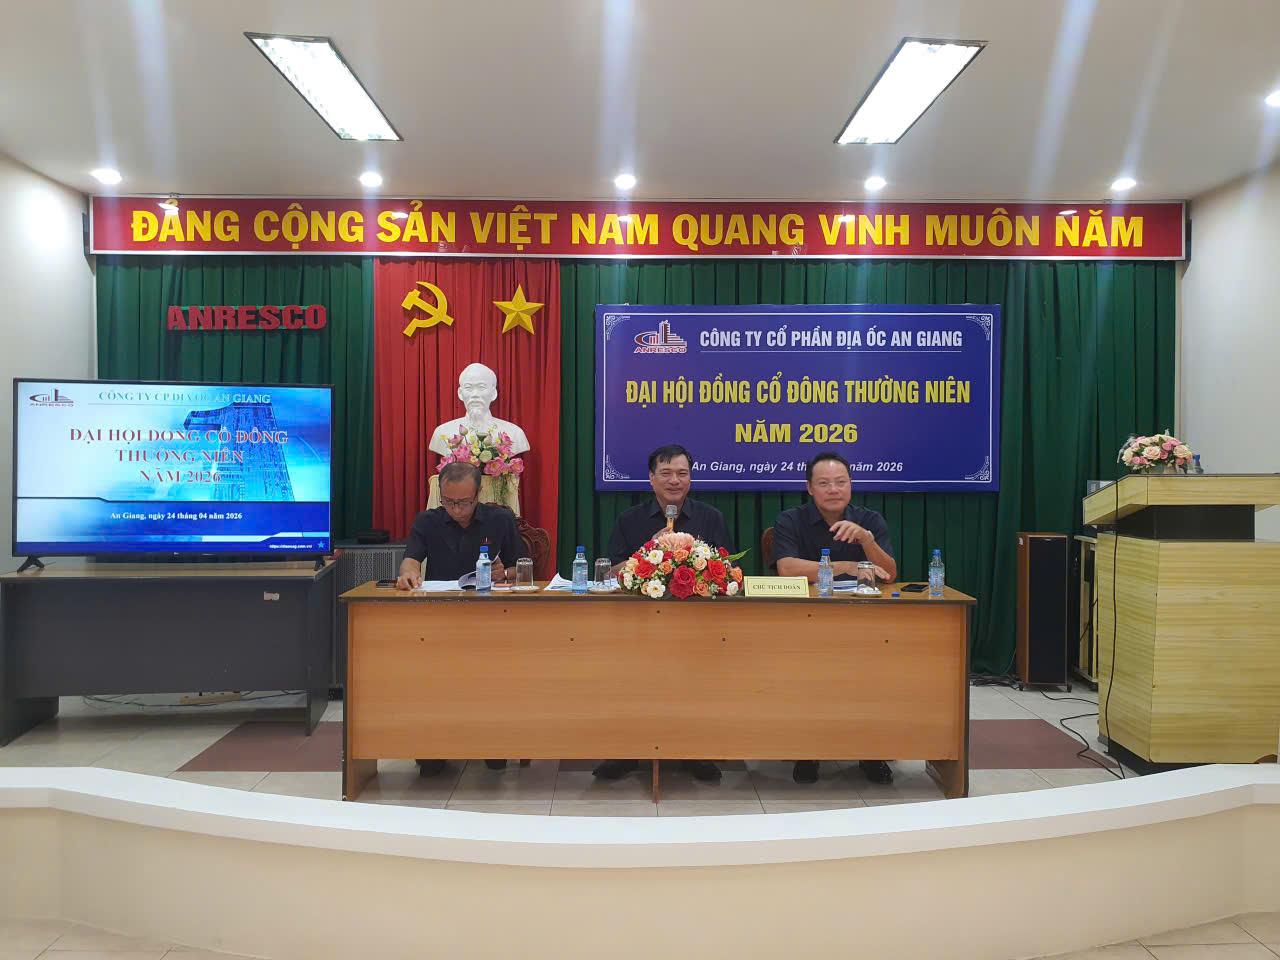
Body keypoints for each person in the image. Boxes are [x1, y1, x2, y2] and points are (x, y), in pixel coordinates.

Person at [594, 444, 733, 783]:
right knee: (630, 682)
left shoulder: (710, 518)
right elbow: (610, 574)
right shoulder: (630, 519)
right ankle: (627, 753)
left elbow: (727, 572)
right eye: (666, 473)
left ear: (690, 479)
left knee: (697, 684)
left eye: (682, 474)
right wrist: (650, 549)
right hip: (639, 624)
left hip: (696, 625)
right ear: (651, 478)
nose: (675, 481)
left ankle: (694, 753)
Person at [772, 450, 899, 786]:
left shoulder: (870, 520)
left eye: (840, 482)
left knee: (870, 680)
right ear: (809, 488)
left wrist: (866, 541)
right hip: (804, 624)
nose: (833, 490)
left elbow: (888, 574)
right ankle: (808, 751)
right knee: (809, 679)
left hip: (863, 625)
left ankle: (871, 752)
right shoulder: (790, 520)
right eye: (824, 483)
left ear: (851, 485)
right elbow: (787, 569)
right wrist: (846, 566)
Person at [396, 461, 528, 775]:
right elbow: (410, 560)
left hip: (490, 617)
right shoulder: (427, 521)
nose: (456, 510)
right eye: (449, 502)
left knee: (490, 683)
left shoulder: (500, 520)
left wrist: (505, 573)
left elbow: (523, 566)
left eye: (464, 503)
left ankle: (491, 745)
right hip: (440, 617)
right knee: (435, 685)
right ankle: (434, 750)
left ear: (478, 494)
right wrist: (408, 574)